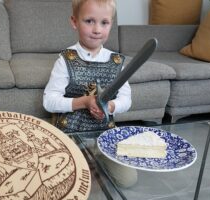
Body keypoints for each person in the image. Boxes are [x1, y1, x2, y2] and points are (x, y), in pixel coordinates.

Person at [43, 0, 137, 187]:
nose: (97, 29)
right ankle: (83, 161)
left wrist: (111, 106)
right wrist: (84, 102)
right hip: (70, 131)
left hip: (104, 133)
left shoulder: (117, 61)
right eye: (89, 21)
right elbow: (49, 101)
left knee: (128, 181)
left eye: (104, 23)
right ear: (74, 22)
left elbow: (126, 99)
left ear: (111, 23)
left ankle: (95, 158)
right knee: (66, 182)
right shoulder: (66, 59)